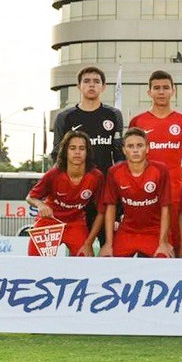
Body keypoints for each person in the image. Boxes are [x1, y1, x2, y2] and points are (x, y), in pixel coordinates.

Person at [50, 66, 124, 245]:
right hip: (77, 194)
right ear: (79, 86)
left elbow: (119, 156)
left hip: (105, 190)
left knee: (109, 244)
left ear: (104, 87)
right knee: (79, 245)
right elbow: (57, 155)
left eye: (96, 82)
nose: (92, 85)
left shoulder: (113, 115)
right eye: (87, 81)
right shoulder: (65, 117)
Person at [129, 70, 182, 251]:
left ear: (173, 91)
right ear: (149, 92)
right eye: (156, 88)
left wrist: (173, 179)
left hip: (174, 191)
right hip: (143, 192)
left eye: (166, 88)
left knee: (175, 240)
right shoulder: (138, 120)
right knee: (147, 240)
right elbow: (130, 156)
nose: (161, 92)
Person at [25, 130, 104, 257]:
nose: (77, 152)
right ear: (65, 151)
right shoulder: (54, 174)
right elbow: (30, 197)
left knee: (86, 261)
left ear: (87, 152)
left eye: (82, 148)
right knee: (35, 262)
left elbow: (102, 211)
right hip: (50, 221)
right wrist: (40, 205)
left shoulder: (96, 176)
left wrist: (89, 242)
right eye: (72, 148)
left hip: (76, 223)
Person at [98, 128, 173, 258]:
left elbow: (165, 207)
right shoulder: (114, 172)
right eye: (130, 146)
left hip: (154, 230)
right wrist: (108, 244)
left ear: (147, 148)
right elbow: (110, 207)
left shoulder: (160, 170)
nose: (135, 150)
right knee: (107, 259)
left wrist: (163, 242)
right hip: (128, 230)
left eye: (140, 145)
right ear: (124, 150)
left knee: (163, 259)